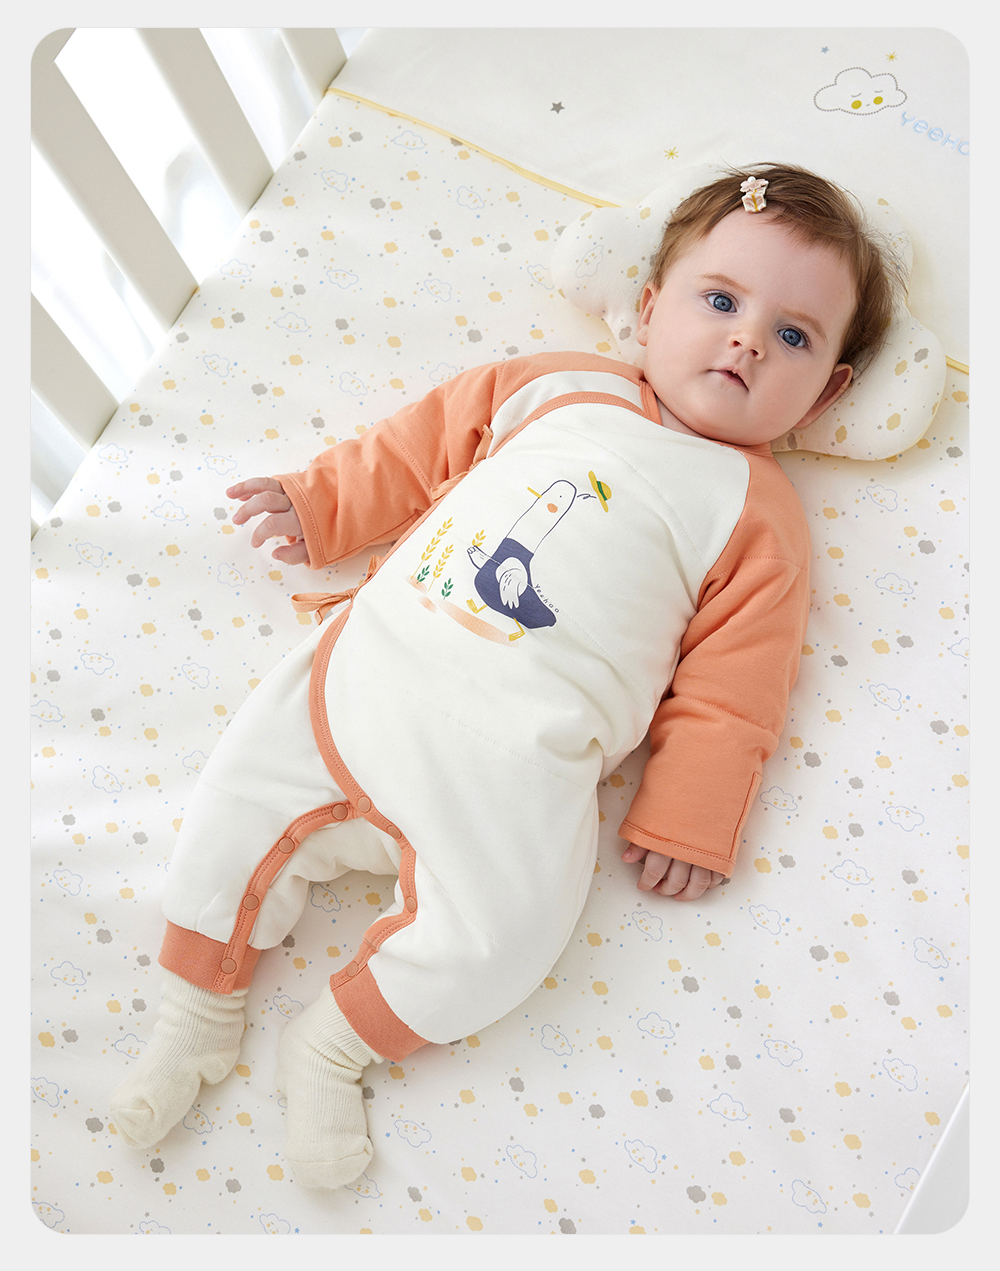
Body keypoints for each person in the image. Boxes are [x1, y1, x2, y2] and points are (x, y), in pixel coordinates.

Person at [110, 164, 898, 1189]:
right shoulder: (559, 385)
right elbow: (419, 446)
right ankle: (194, 1013)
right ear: (648, 306)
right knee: (237, 795)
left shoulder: (756, 514)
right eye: (719, 301)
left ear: (828, 390)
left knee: (510, 934)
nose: (747, 339)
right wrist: (324, 503)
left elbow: (737, 687)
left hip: (517, 765)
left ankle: (333, 1046)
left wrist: (689, 814)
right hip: (371, 679)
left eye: (793, 335)